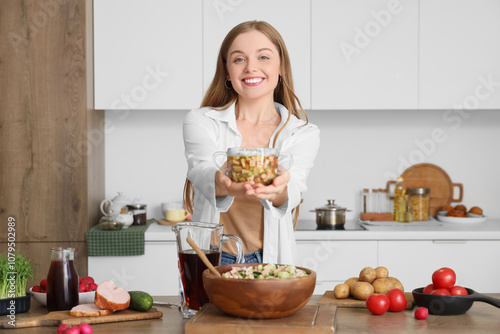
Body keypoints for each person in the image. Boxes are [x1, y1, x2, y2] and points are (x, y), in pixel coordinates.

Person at [182, 20, 320, 265]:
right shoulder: (202, 121)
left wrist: (278, 190)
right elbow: (201, 171)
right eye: (239, 59)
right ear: (227, 71)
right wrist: (225, 183)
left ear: (282, 67)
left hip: (270, 260)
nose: (251, 68)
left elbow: (294, 191)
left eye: (264, 57)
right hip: (215, 260)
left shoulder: (302, 132)